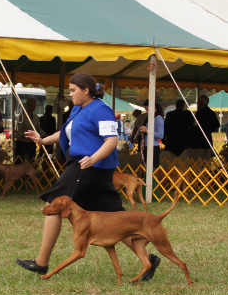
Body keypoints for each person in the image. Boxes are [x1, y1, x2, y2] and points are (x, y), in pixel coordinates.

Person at [15, 72, 161, 281]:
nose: (70, 94)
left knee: (54, 204)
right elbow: (67, 132)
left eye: (73, 90)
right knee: (115, 217)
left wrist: (92, 159)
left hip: (88, 166)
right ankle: (148, 258)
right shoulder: (78, 108)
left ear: (86, 90)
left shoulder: (101, 109)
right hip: (90, 167)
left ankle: (41, 262)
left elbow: (112, 140)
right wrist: (42, 140)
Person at [15, 97, 45, 162]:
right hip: (21, 143)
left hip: (31, 143)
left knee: (32, 161)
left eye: (34, 106)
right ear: (28, 106)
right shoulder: (21, 116)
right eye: (31, 106)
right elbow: (18, 130)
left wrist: (45, 135)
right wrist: (26, 137)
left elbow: (38, 128)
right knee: (19, 162)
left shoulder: (36, 116)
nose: (33, 108)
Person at [138, 102, 165, 168]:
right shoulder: (150, 118)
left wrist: (147, 130)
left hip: (153, 147)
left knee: (152, 168)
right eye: (146, 110)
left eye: (148, 109)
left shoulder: (158, 118)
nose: (147, 112)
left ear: (154, 108)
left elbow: (161, 135)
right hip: (146, 146)